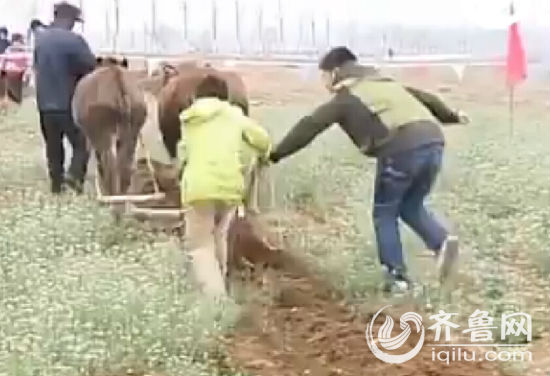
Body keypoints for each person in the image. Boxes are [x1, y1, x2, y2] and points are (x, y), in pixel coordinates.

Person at [268, 46, 469, 294]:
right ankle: (441, 242)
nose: (323, 82)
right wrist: (452, 116)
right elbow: (427, 99)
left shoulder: (347, 97)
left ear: (336, 72)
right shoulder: (384, 82)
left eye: (323, 76)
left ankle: (397, 279)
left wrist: (276, 154)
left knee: (384, 213)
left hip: (401, 148)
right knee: (410, 206)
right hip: (433, 142)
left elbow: (310, 125)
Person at [178, 74, 272, 297]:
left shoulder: (189, 119)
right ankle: (222, 283)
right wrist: (265, 154)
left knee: (200, 245)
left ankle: (215, 298)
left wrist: (180, 172)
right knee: (220, 236)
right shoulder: (235, 115)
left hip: (198, 189)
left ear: (196, 96)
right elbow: (262, 140)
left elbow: (183, 154)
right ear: (225, 96)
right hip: (230, 188)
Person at [33, 2, 96, 194]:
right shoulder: (74, 41)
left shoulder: (40, 41)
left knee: (53, 147)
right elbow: (90, 67)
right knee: (82, 143)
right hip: (68, 103)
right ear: (69, 20)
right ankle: (74, 177)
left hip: (45, 104)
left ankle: (56, 186)